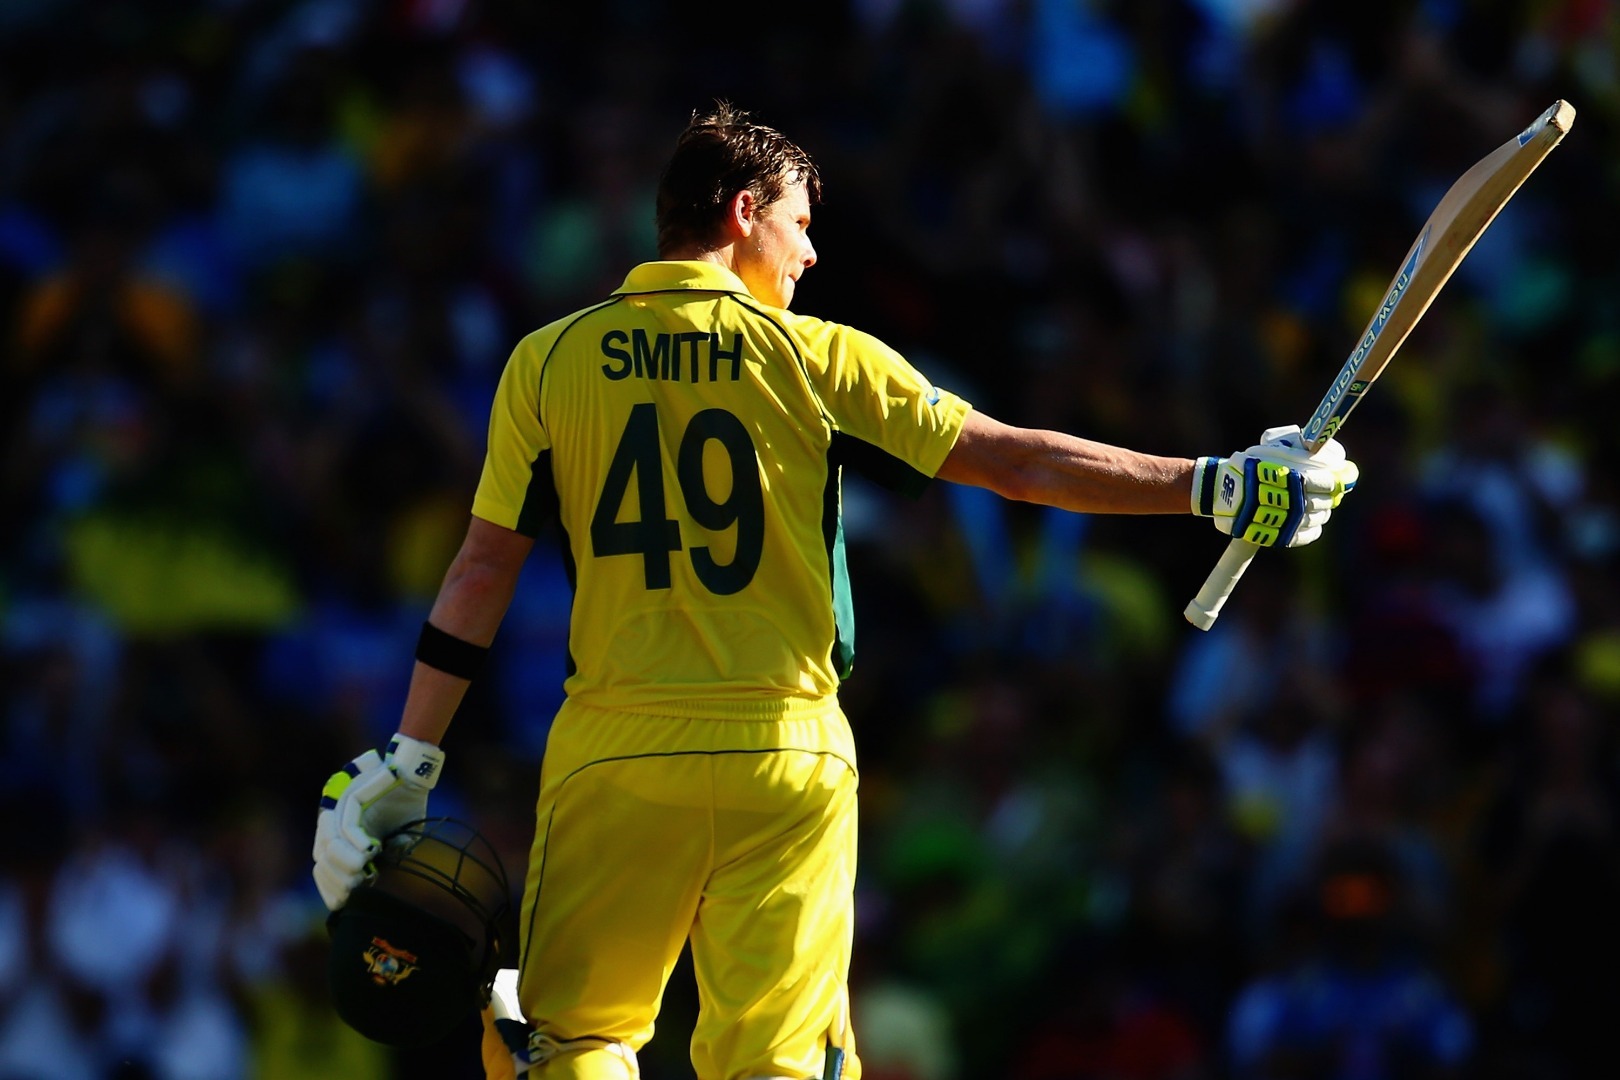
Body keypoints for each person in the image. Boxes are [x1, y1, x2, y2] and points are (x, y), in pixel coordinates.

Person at [311, 102, 1359, 1080]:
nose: (811, 254)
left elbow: (480, 570)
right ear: (744, 212)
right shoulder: (817, 357)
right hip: (787, 755)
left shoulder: (547, 362)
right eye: (802, 224)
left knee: (570, 1039)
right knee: (778, 1063)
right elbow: (1017, 462)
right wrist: (1212, 485)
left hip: (617, 753)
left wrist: (412, 756)